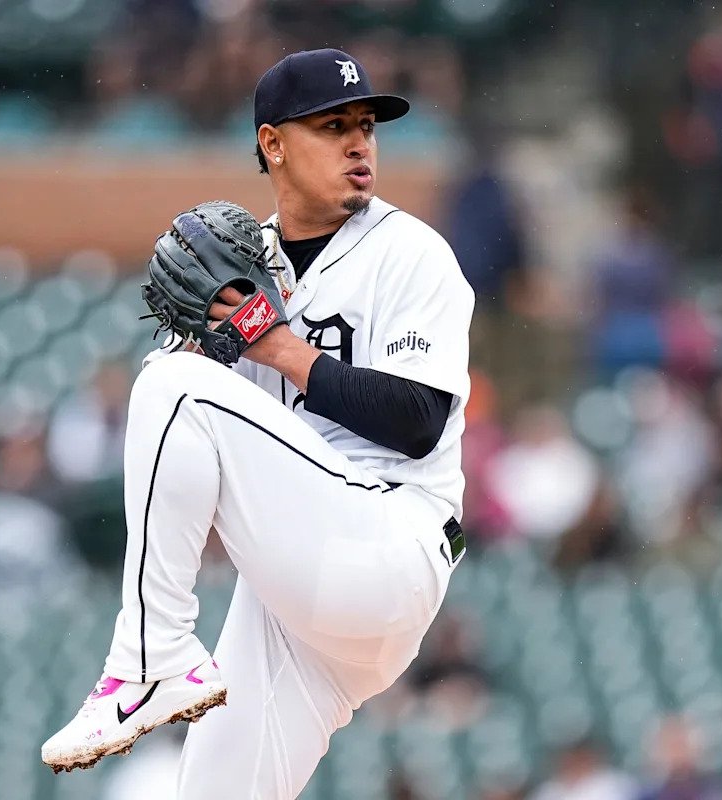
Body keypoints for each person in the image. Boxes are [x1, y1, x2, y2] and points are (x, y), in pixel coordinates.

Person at [41, 48, 474, 799]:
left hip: (390, 545)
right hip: (298, 594)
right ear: (272, 143)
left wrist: (272, 344)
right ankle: (155, 657)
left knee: (169, 386)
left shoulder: (410, 253)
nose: (359, 144)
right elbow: (196, 446)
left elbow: (417, 421)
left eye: (367, 126)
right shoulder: (245, 264)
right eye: (333, 126)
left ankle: (150, 658)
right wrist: (205, 344)